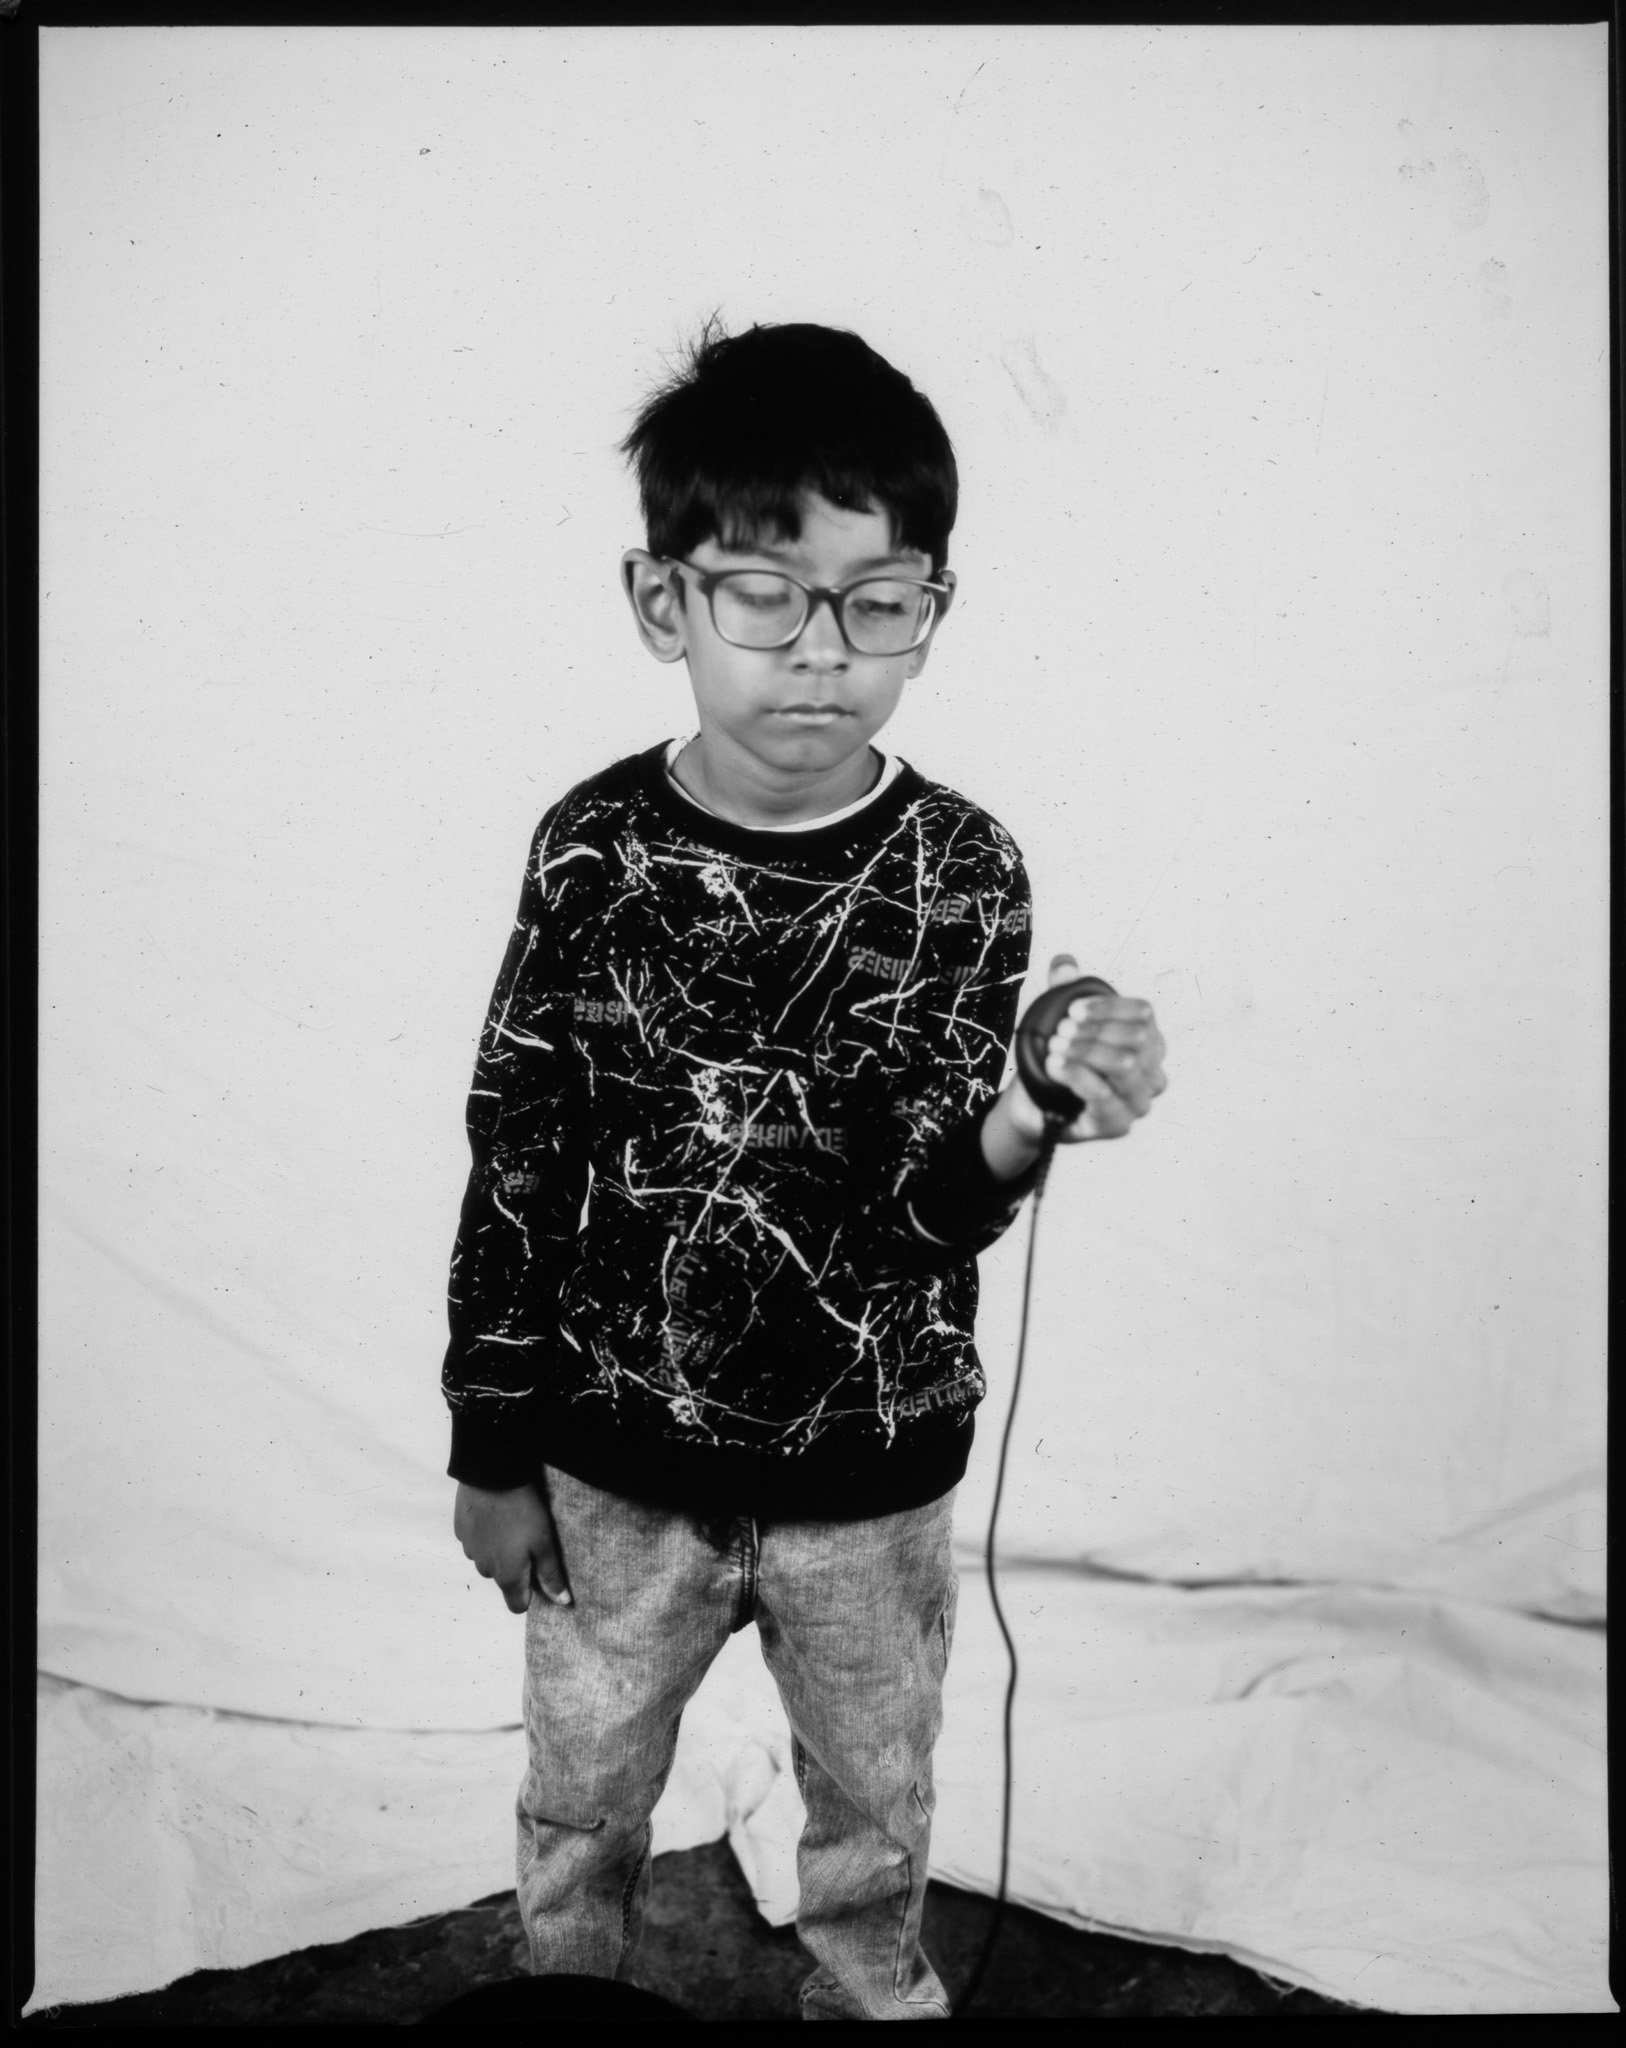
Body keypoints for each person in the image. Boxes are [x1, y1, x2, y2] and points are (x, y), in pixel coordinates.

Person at [443, 320, 1168, 2021]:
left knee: (871, 1804)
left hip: (869, 1470)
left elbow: (924, 1213)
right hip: (612, 1470)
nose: (819, 653)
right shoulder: (595, 848)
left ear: (934, 608)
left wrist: (1028, 1110)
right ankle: (568, 2007)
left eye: (877, 600)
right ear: (662, 602)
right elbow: (517, 1153)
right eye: (762, 593)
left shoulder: (960, 871)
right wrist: (492, 1441)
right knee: (582, 1791)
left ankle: (869, 2006)